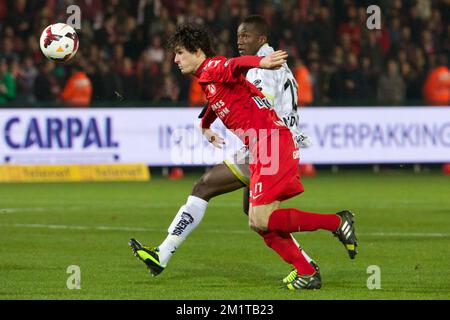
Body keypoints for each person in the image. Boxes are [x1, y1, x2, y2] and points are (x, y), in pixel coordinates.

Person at [130, 23, 358, 290]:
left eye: (180, 53)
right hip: (263, 147)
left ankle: (336, 222)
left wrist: (261, 61)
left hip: (272, 144)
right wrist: (205, 124)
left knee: (260, 219)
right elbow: (219, 98)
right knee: (257, 220)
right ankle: (307, 270)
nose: (175, 60)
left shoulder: (214, 67)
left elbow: (235, 65)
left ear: (196, 51)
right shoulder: (209, 79)